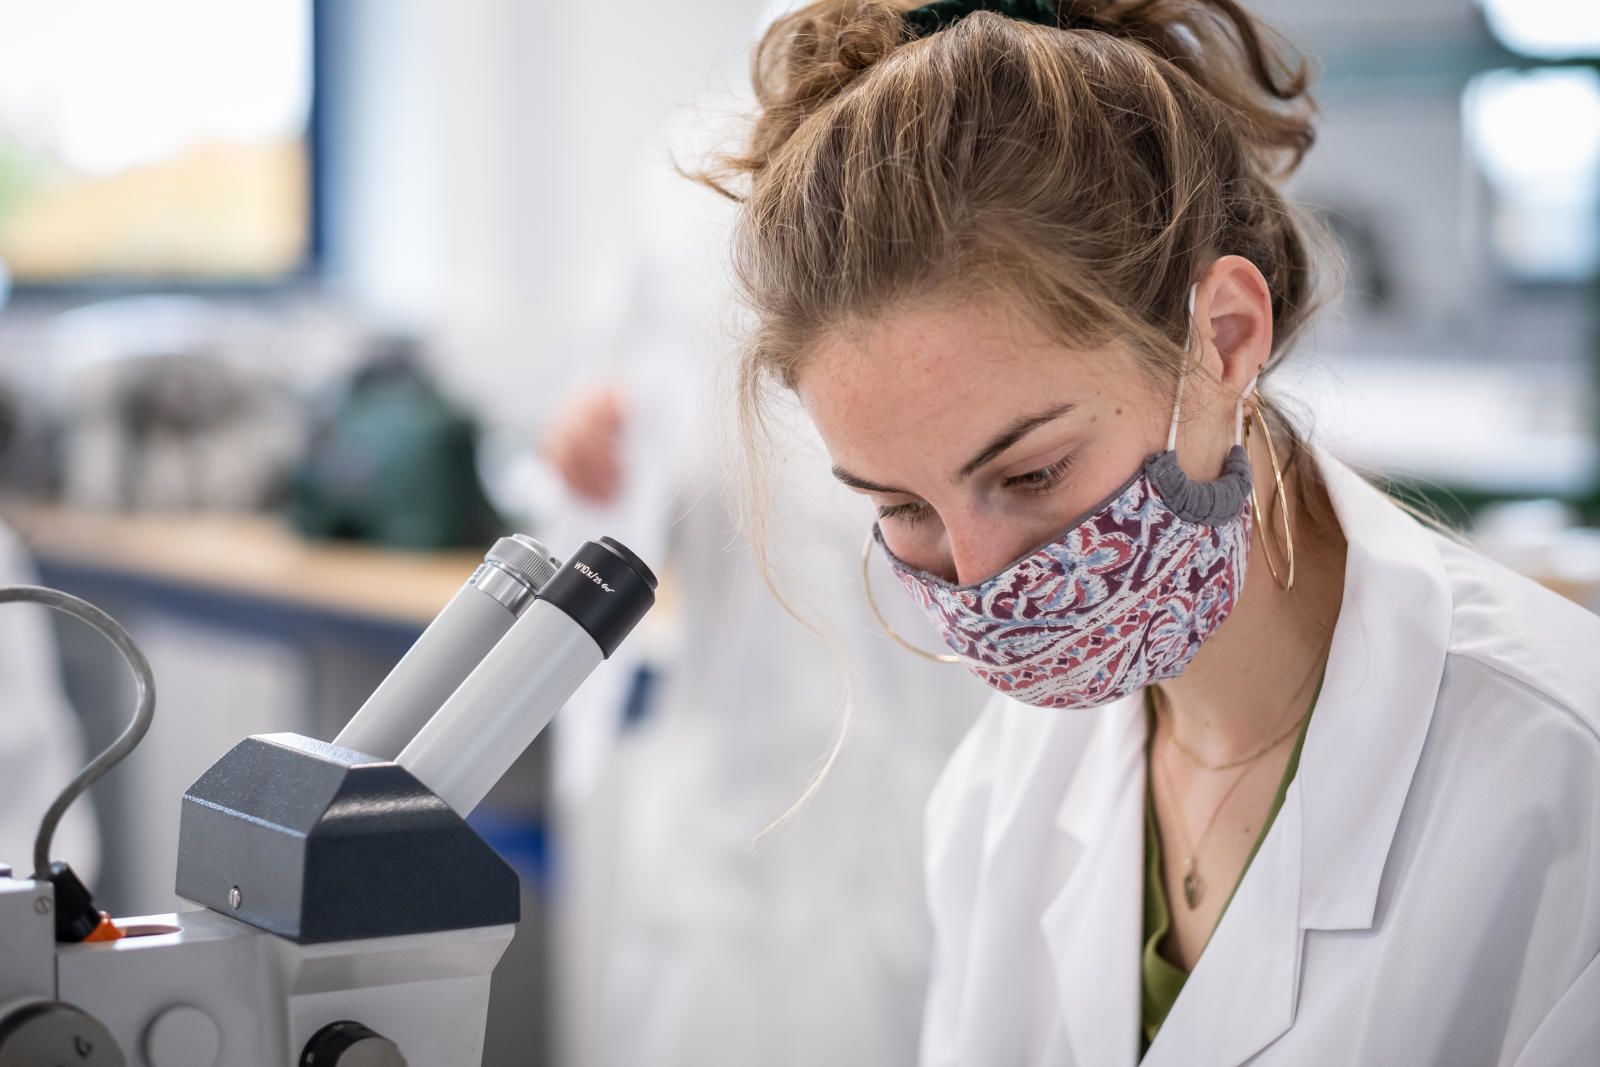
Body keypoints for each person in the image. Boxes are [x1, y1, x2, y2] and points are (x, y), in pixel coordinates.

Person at [696, 1, 1600, 1064]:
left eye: (1030, 471)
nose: (983, 578)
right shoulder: (1003, 790)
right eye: (900, 507)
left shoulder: (1560, 786)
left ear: (1222, 341)